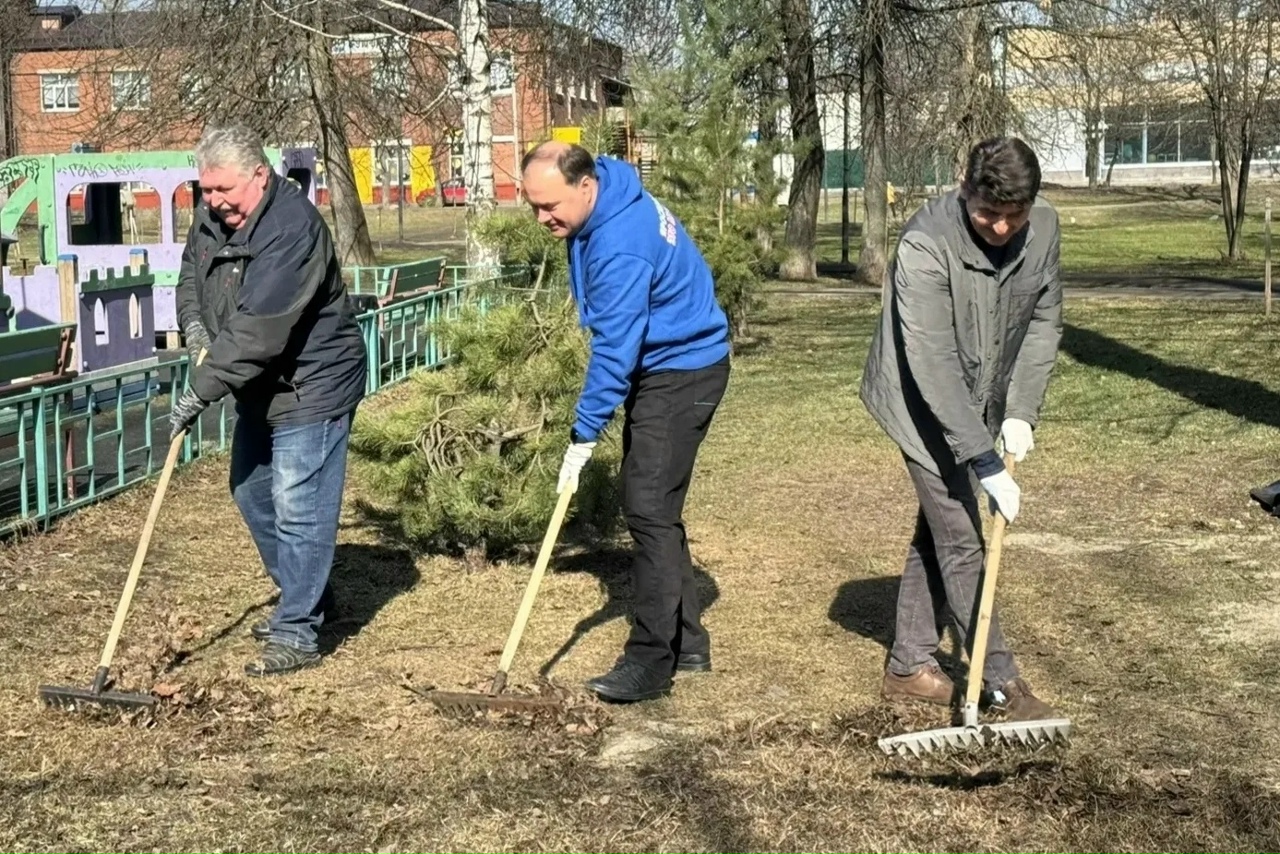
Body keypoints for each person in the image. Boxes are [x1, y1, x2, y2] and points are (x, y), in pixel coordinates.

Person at [859, 136, 1063, 720]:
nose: (1000, 228)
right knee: (960, 535)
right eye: (987, 213)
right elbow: (933, 363)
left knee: (940, 530)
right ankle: (1001, 682)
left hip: (981, 394)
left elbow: (1044, 320)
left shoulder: (1044, 229)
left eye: (1013, 215)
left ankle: (908, 666)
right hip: (919, 402)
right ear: (964, 189)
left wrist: (1022, 410)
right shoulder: (924, 245)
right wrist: (985, 460)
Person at [521, 140, 731, 703]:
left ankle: (650, 662)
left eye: (550, 207)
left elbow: (616, 348)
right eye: (533, 207)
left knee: (647, 506)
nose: (543, 219)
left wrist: (583, 432)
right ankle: (688, 642)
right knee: (655, 505)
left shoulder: (620, 243)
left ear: (585, 187)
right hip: (664, 363)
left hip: (682, 370)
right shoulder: (606, 195)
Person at [170, 123, 367, 677]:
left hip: (312, 381)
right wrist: (195, 329)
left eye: (223, 191)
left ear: (261, 175)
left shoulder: (291, 227)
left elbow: (260, 327)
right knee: (252, 490)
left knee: (298, 502)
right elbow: (192, 274)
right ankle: (309, 597)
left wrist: (200, 392)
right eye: (205, 190)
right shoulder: (214, 214)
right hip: (257, 379)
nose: (212, 202)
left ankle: (298, 633)